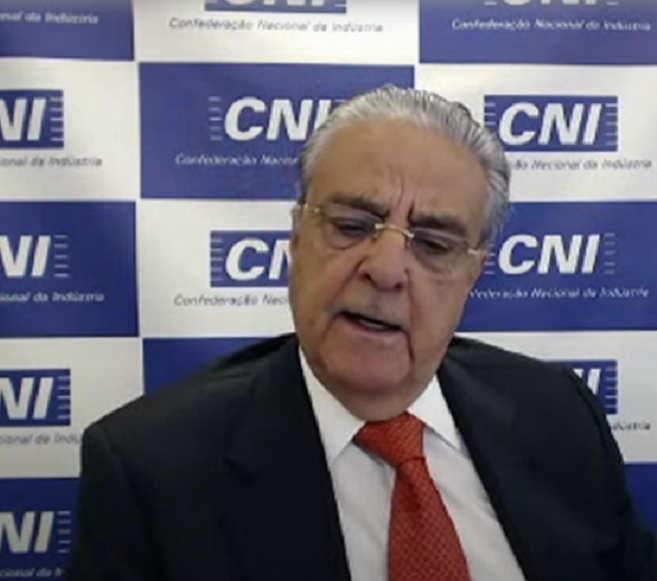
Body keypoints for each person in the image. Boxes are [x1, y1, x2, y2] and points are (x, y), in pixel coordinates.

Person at [64, 85, 657, 581]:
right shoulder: (151, 471)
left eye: (433, 245)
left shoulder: (560, 415)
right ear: (297, 239)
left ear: (472, 276)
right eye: (352, 225)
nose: (387, 269)